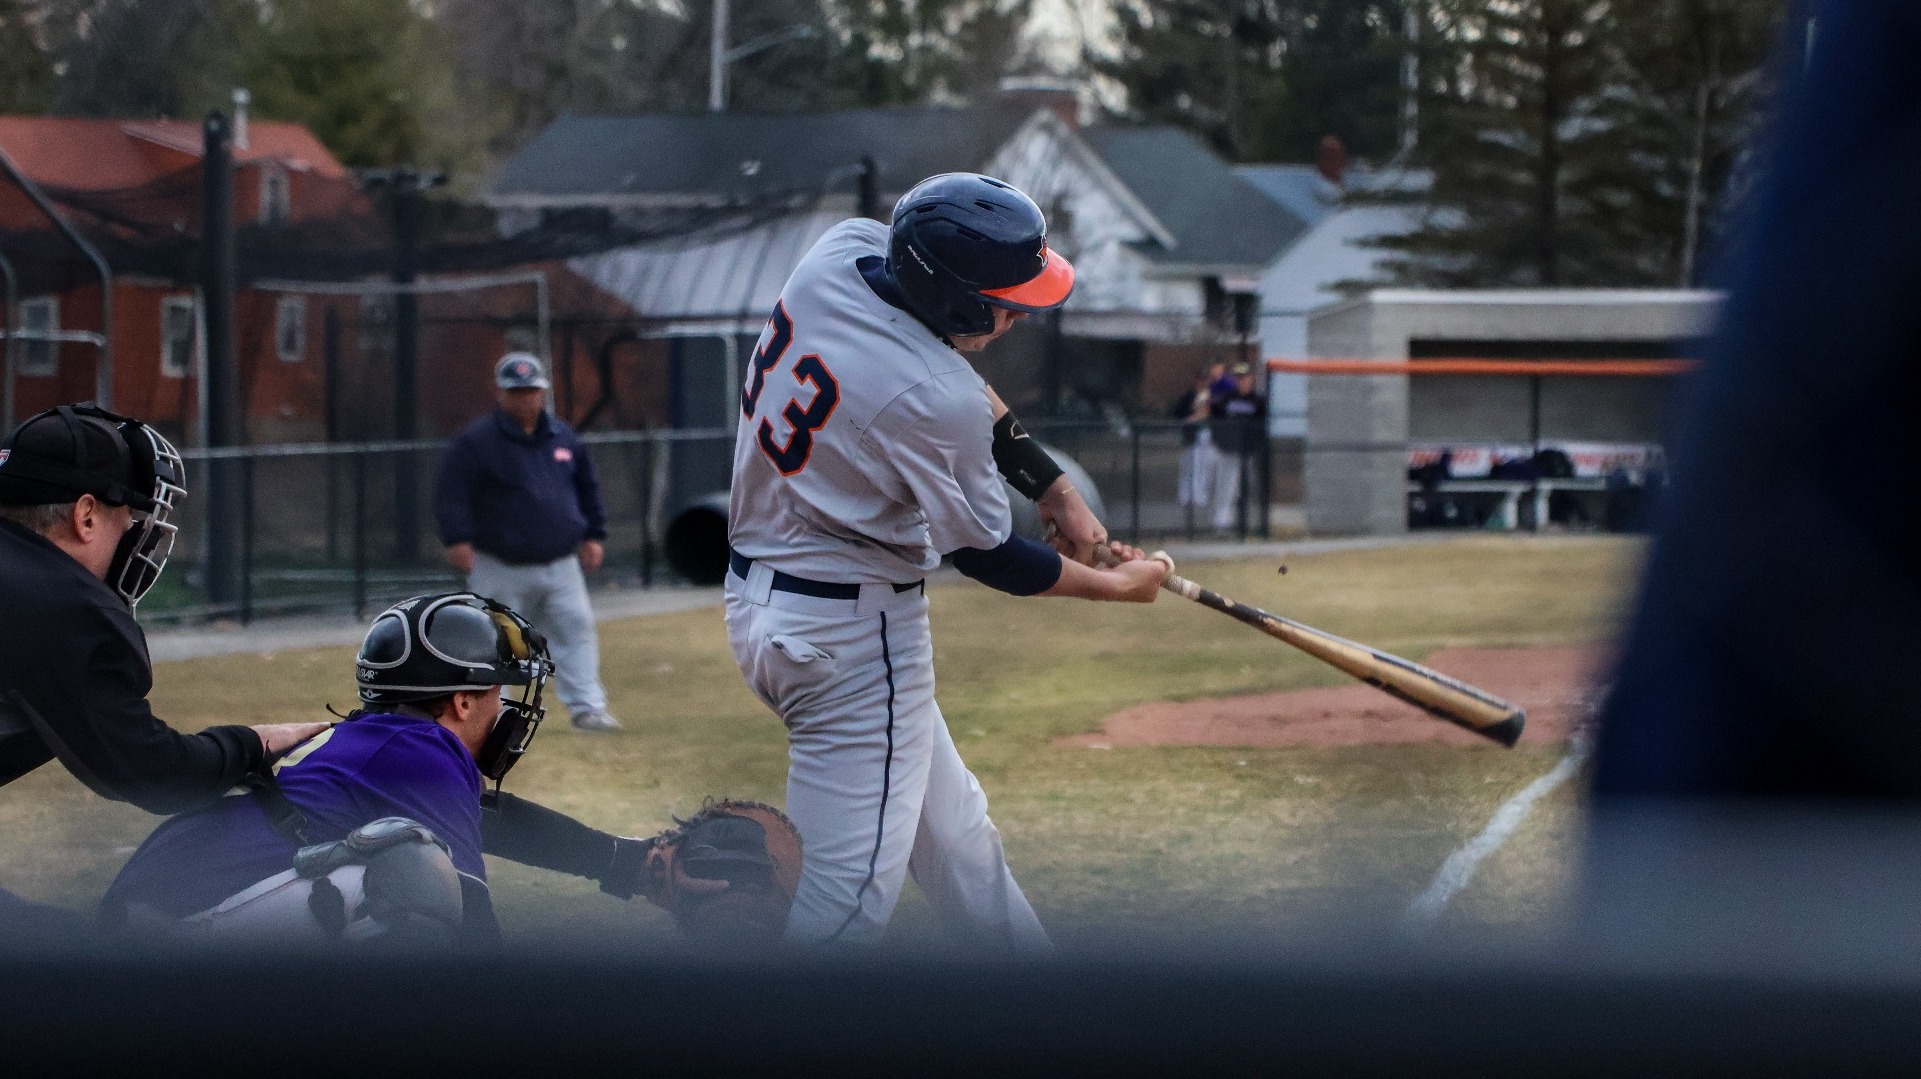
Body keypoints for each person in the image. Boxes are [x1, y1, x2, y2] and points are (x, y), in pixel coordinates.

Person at [726, 172, 1170, 950]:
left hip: (772, 602)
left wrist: (1052, 484)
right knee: (841, 912)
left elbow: (953, 378)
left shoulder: (841, 253)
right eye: (1005, 298)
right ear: (960, 304)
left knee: (957, 841)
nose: (1014, 312)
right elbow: (988, 554)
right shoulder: (931, 397)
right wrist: (1112, 586)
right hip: (851, 644)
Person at [103, 592, 790, 946]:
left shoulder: (383, 746)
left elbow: (488, 820)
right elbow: (474, 931)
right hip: (185, 928)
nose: (505, 709)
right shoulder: (423, 752)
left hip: (169, 911)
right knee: (416, 874)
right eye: (498, 691)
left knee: (404, 854)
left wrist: (626, 860)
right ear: (462, 699)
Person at [0, 405, 327, 926]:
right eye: (126, 520)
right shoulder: (62, 603)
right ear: (86, 515)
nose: (133, 537)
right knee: (91, 973)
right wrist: (247, 744)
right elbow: (150, 774)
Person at [434, 353, 620, 732]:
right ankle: (491, 718)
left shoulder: (564, 437)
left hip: (560, 562)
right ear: (501, 394)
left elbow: (586, 488)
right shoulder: (477, 442)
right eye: (516, 392)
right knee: (495, 643)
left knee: (576, 630)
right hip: (500, 563)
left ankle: (588, 708)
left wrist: (593, 533)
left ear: (543, 392)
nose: (525, 399)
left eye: (531, 391)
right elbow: (450, 493)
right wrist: (457, 538)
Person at [1206, 363, 1268, 535]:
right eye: (1239, 378)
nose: (1242, 381)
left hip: (1248, 453)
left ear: (1251, 379)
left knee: (1247, 488)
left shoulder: (1258, 401)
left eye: (1245, 377)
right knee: (1225, 488)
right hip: (1229, 452)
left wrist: (1255, 448)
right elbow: (1215, 421)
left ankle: (1244, 526)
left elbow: (1262, 428)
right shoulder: (1227, 399)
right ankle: (1222, 524)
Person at [1171, 362, 1224, 519]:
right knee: (1188, 465)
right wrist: (1190, 417)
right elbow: (1178, 413)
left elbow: (1217, 415)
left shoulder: (1213, 397)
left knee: (1203, 467)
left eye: (1205, 379)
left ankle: (1200, 496)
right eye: (1200, 379)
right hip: (1190, 435)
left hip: (1206, 435)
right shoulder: (1189, 396)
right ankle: (1186, 495)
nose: (1202, 382)